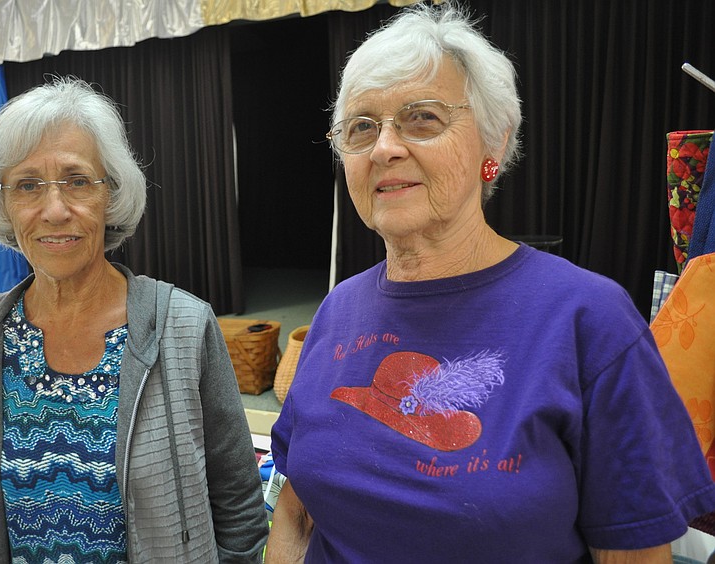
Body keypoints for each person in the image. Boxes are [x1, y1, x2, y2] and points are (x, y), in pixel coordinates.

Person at [266, 4, 715, 563]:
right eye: (362, 127)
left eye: (421, 117)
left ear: (494, 146)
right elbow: (295, 511)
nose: (384, 147)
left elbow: (632, 555)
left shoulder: (590, 320)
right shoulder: (338, 310)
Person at [0, 77, 268, 563]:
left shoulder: (184, 326)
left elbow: (240, 507)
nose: (54, 210)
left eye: (77, 180)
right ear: (4, 205)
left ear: (110, 194)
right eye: (27, 185)